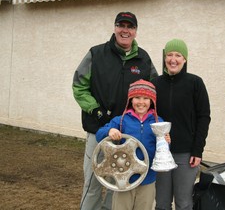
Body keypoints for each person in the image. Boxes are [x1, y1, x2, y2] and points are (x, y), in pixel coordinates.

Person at [72, 12, 158, 210]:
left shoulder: (144, 59)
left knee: (118, 184)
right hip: (98, 130)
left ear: (135, 31)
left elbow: (153, 93)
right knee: (93, 183)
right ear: (114, 27)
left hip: (128, 135)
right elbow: (79, 86)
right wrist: (95, 111)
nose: (125, 30)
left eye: (130, 27)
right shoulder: (96, 53)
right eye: (121, 25)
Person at [151, 39, 211, 210]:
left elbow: (204, 117)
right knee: (162, 203)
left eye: (178, 55)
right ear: (164, 58)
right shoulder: (156, 84)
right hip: (161, 151)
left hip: (186, 154)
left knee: (184, 203)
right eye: (169, 55)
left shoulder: (195, 83)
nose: (173, 59)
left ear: (184, 59)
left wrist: (197, 149)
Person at [96, 79, 170, 210]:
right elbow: (99, 134)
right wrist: (110, 131)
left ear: (152, 101)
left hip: (148, 177)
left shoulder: (158, 122)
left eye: (146, 98)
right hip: (123, 177)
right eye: (137, 97)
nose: (141, 102)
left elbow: (163, 151)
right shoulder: (121, 120)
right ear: (131, 100)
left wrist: (166, 143)